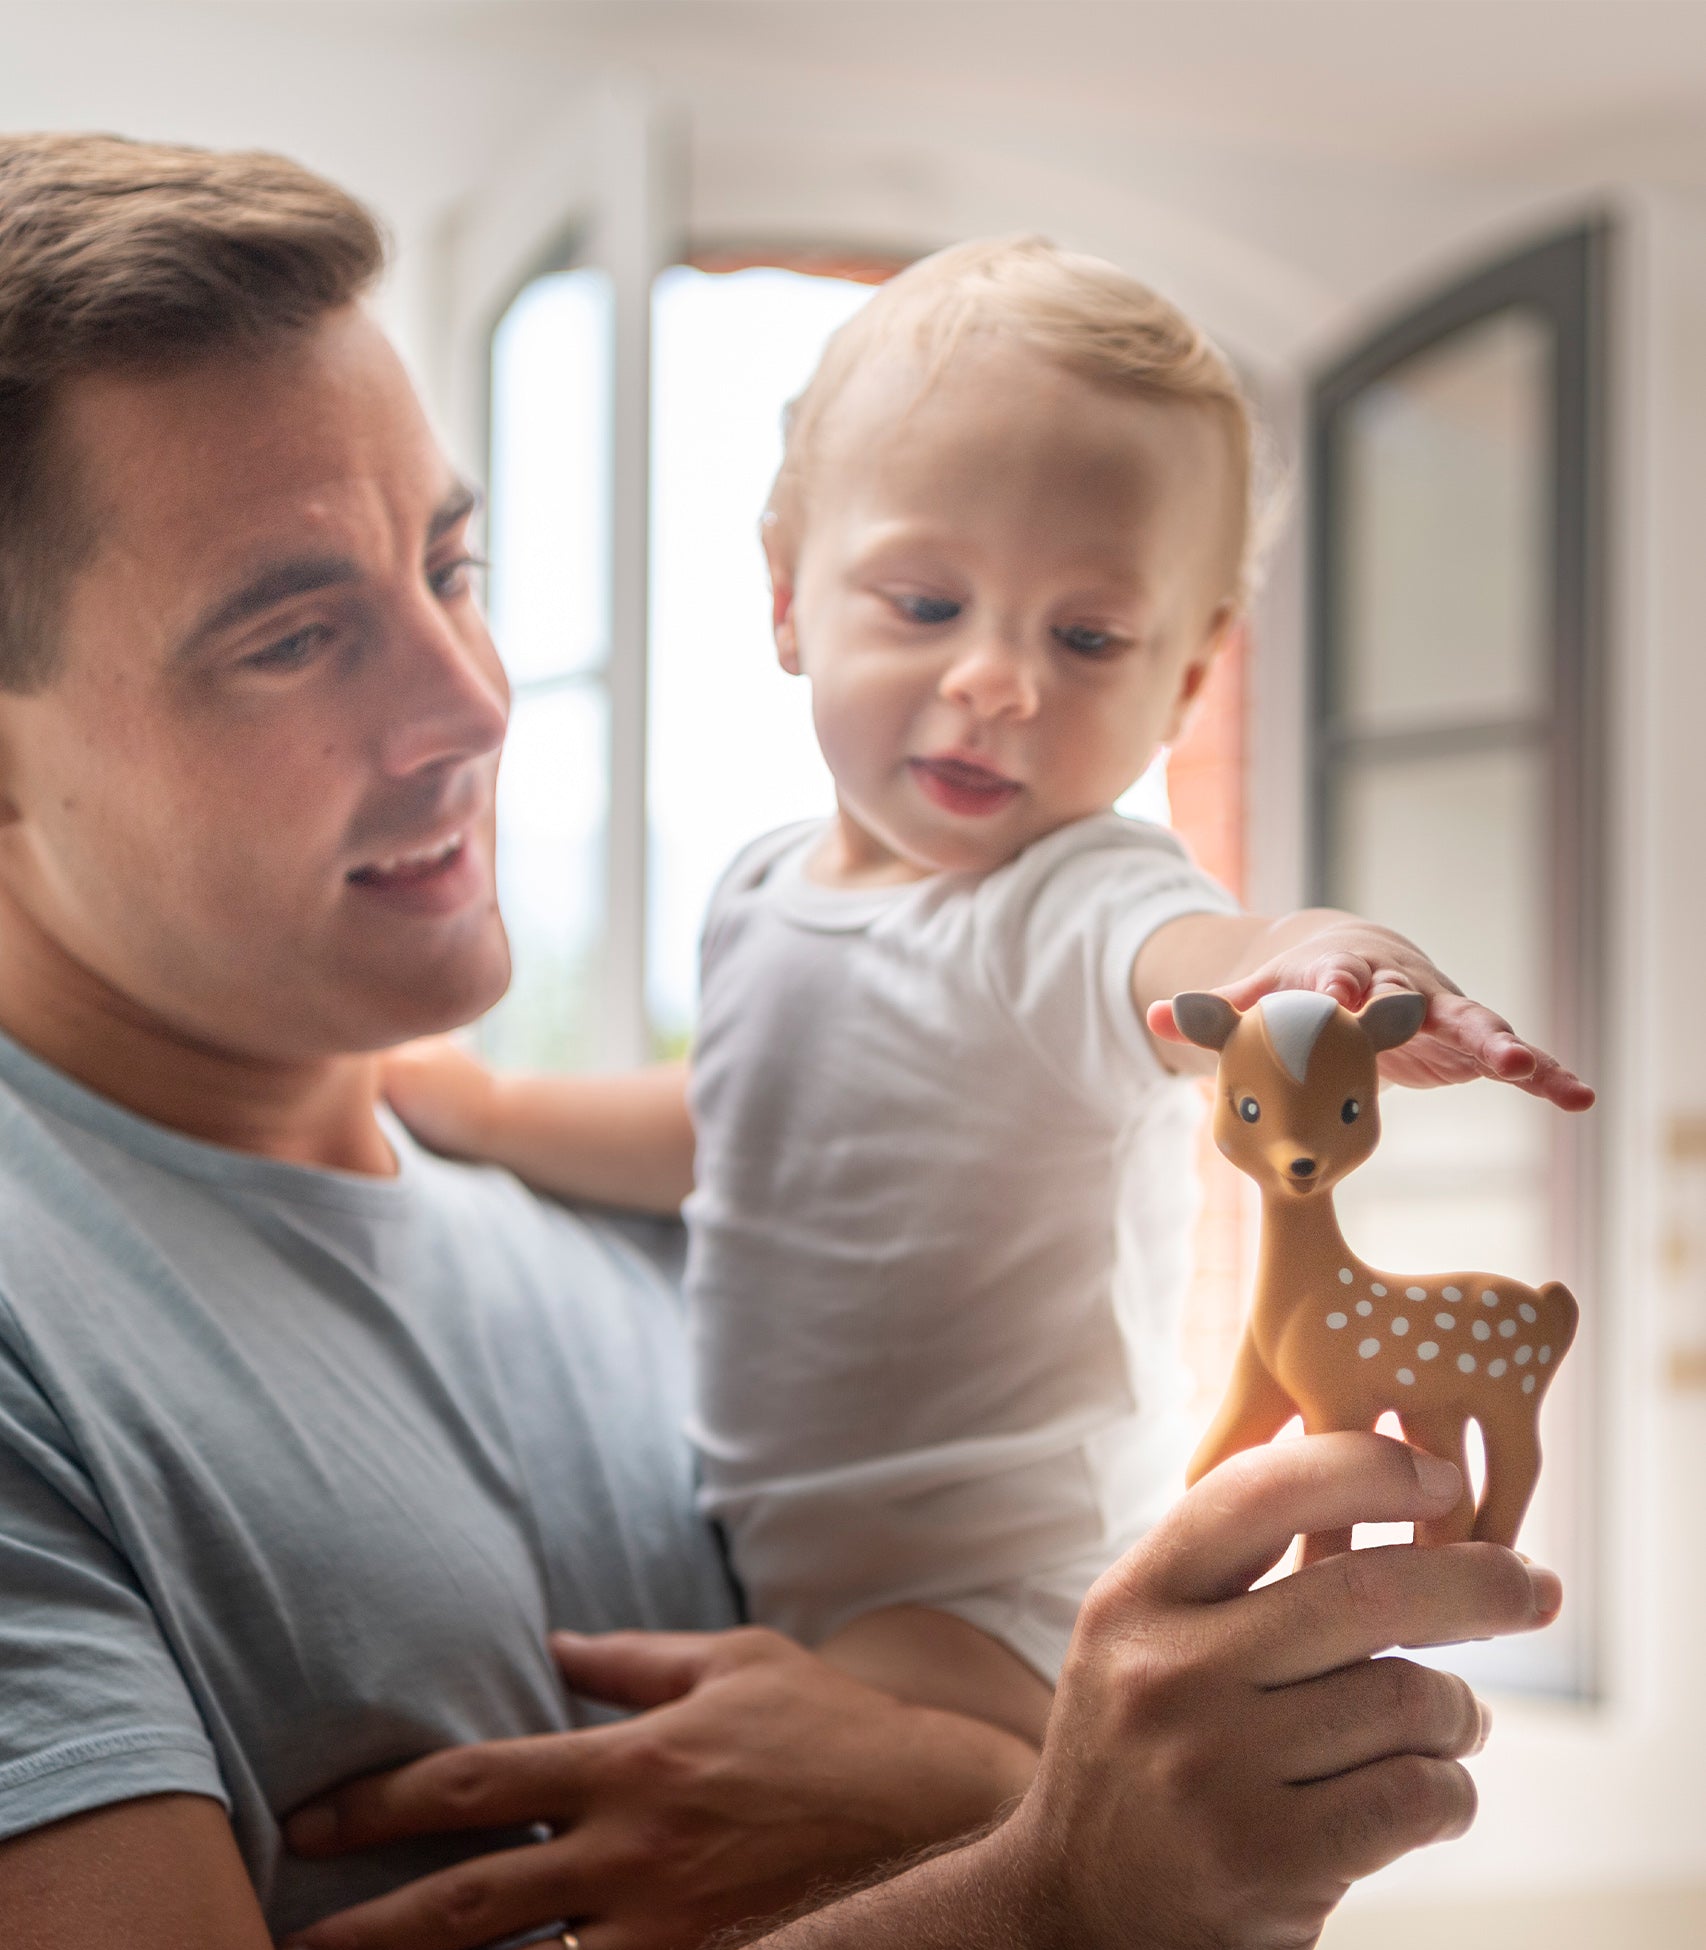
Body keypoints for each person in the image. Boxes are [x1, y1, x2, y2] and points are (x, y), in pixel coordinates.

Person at [0, 134, 1561, 1950]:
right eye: (292, 632)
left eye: (451, 563)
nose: (477, 695)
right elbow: (1087, 1944)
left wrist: (995, 1840)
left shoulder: (632, 1239)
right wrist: (1036, 1903)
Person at [386, 238, 1593, 1744]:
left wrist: (1304, 962)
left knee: (733, 1778)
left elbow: (1189, 954)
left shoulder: (1067, 897)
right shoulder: (762, 889)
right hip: (786, 1558)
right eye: (924, 604)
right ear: (785, 596)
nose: (998, 683)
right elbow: (734, 1129)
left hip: (998, 1607)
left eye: (1084, 638)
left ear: (1187, 679)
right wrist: (487, 1109)